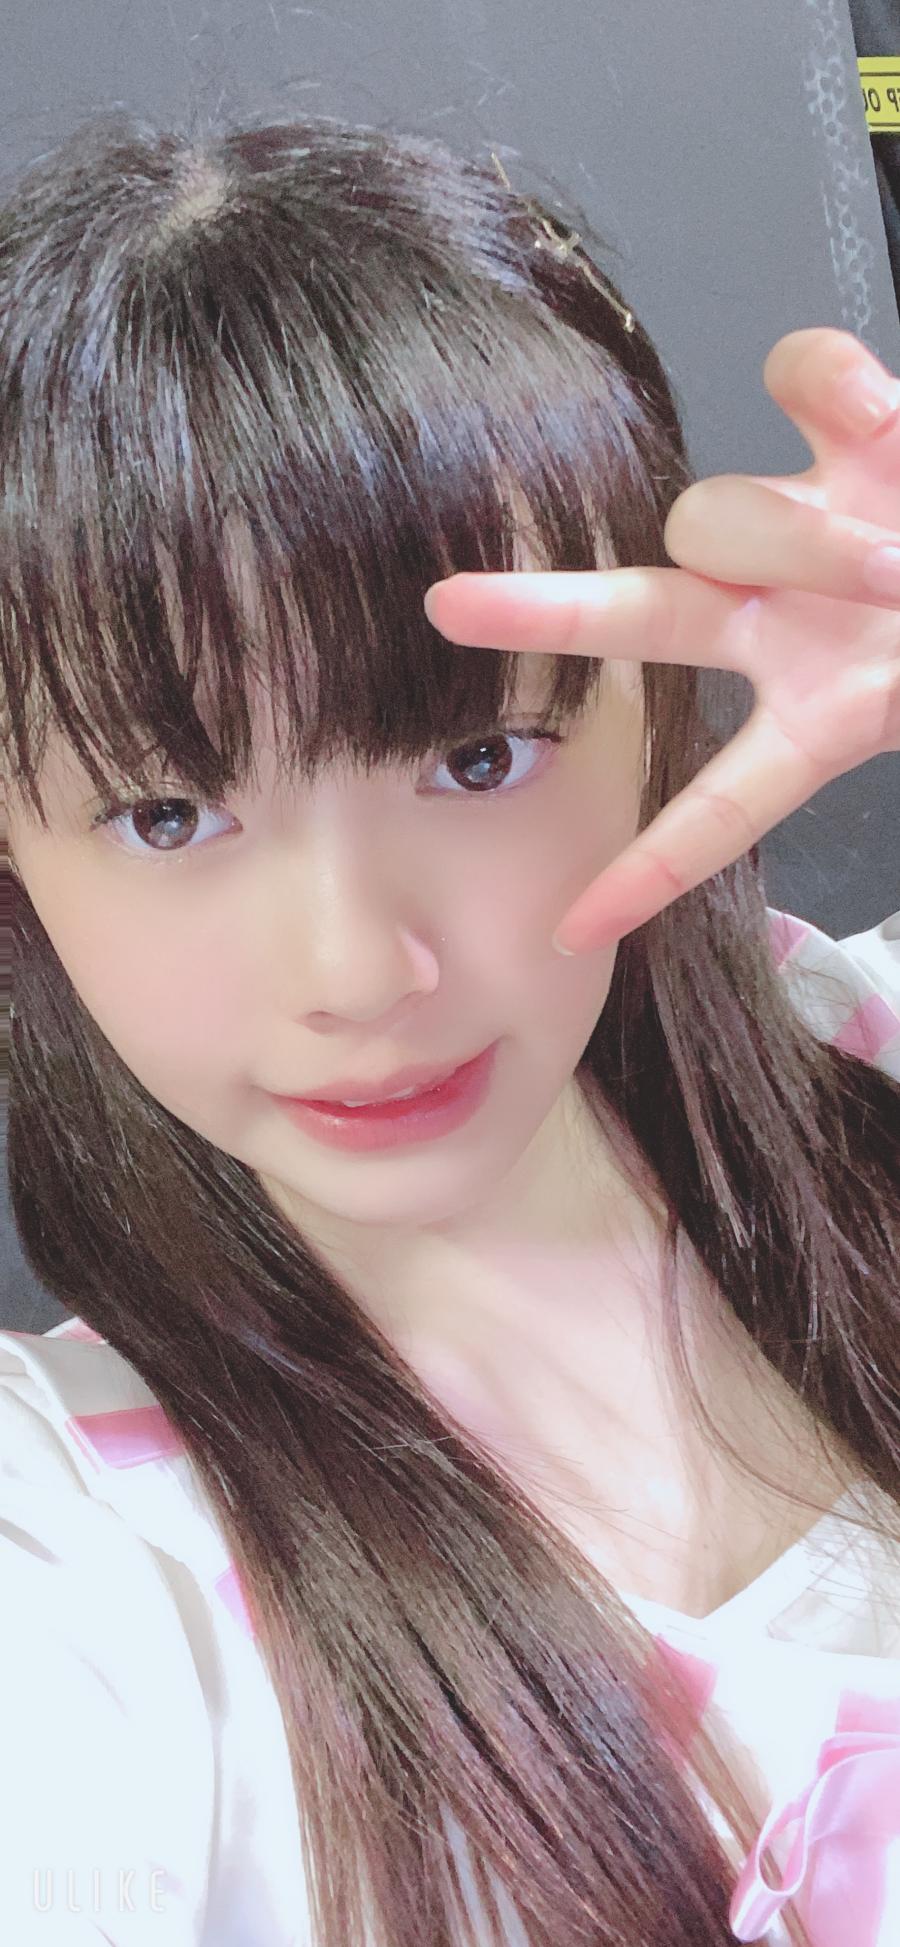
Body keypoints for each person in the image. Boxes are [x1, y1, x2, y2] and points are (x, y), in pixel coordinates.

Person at [1, 108, 898, 1947]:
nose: (356, 970)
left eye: (477, 756)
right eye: (165, 814)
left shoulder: (866, 1040)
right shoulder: (81, 1562)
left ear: (657, 712)